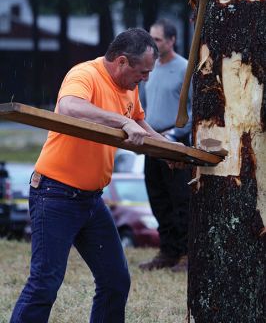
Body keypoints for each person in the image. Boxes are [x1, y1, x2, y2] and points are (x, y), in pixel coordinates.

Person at [10, 28, 171, 323]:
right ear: (122, 62)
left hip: (91, 201)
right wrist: (123, 121)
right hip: (55, 194)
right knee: (44, 284)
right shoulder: (84, 74)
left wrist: (174, 151)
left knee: (115, 281)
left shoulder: (129, 87)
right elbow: (70, 107)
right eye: (142, 72)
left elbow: (140, 125)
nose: (145, 79)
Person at [139, 18, 192, 272]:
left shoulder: (185, 69)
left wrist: (175, 133)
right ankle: (168, 251)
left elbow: (194, 109)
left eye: (158, 39)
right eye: (152, 38)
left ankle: (186, 253)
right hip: (152, 140)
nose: (154, 43)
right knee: (157, 196)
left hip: (174, 142)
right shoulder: (150, 68)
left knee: (179, 199)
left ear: (172, 40)